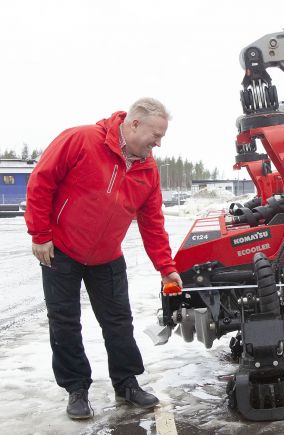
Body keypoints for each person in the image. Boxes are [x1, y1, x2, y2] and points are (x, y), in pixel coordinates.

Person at [24, 98, 183, 420]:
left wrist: (167, 268)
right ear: (134, 124)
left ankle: (126, 383)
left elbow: (152, 223)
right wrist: (40, 235)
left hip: (107, 256)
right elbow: (41, 182)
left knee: (119, 322)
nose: (158, 143)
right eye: (156, 134)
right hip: (62, 251)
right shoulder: (81, 140)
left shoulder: (147, 169)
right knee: (65, 322)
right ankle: (76, 389)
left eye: (162, 137)